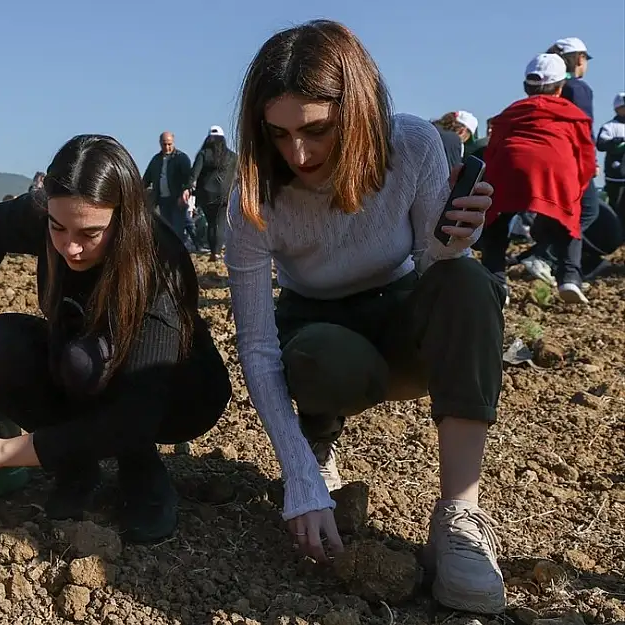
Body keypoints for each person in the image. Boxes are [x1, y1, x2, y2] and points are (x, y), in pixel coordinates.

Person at [225, 20, 505, 614]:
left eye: (317, 130)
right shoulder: (254, 195)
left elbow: (433, 266)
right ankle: (319, 444)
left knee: (468, 282)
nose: (297, 154)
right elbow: (256, 343)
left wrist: (454, 245)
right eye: (277, 135)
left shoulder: (411, 146)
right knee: (314, 355)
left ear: (356, 113)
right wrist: (297, 475)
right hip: (320, 329)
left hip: (400, 311)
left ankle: (460, 515)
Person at [0, 135, 232, 543]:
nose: (70, 247)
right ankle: (76, 463)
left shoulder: (159, 266)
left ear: (123, 220)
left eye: (90, 233)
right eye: (59, 228)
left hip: (173, 394)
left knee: (96, 377)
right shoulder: (52, 215)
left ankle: (139, 465)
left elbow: (137, 412)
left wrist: (3, 452)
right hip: (85, 360)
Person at [478, 54, 596, 304]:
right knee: (569, 219)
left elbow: (494, 146)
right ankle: (570, 279)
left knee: (496, 222)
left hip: (509, 165)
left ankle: (496, 282)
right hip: (556, 168)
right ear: (561, 88)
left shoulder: (511, 112)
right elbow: (585, 154)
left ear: (525, 87)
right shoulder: (572, 114)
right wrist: (577, 187)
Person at [190, 125, 238, 261]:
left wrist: (188, 187)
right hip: (225, 194)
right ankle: (217, 251)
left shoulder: (203, 155)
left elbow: (194, 174)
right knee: (221, 223)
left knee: (211, 223)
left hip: (206, 195)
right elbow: (240, 174)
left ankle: (213, 252)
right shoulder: (232, 157)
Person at [142, 132, 193, 237]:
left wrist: (185, 191)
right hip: (163, 200)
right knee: (168, 229)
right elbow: (146, 178)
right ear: (160, 143)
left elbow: (188, 178)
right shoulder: (156, 160)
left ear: (173, 143)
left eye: (169, 144)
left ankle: (199, 245)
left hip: (177, 199)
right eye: (164, 144)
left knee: (179, 229)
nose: (167, 147)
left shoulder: (181, 158)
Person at [597, 93, 625, 213]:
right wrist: (613, 142)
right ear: (618, 108)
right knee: (617, 207)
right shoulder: (610, 126)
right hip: (616, 177)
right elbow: (601, 144)